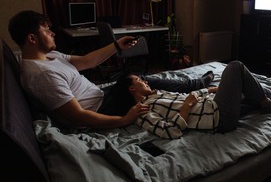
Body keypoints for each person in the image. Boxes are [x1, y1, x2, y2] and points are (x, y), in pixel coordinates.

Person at [7, 10, 214, 129]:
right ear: (32, 38)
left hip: (101, 96)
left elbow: (87, 61)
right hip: (102, 108)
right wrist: (124, 120)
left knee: (136, 78)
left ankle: (193, 85)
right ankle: (195, 89)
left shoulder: (50, 57)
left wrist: (116, 45)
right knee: (139, 82)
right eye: (46, 30)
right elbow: (79, 117)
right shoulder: (42, 75)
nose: (52, 33)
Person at [110, 60, 271, 139]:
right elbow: (170, 132)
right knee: (236, 67)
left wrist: (208, 89)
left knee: (252, 90)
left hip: (212, 103)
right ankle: (269, 105)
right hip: (218, 116)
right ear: (132, 88)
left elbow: (189, 97)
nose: (145, 81)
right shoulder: (142, 111)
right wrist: (186, 107)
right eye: (139, 80)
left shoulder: (156, 94)